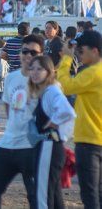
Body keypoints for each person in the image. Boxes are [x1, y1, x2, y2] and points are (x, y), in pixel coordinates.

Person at [0, 34, 44, 208]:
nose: (28, 55)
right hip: (7, 144)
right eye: (25, 51)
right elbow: (10, 112)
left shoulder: (47, 81)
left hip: (31, 147)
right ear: (19, 53)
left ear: (41, 55)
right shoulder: (11, 78)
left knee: (35, 197)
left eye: (34, 52)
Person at [56, 30, 102, 209]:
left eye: (81, 51)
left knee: (90, 194)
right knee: (98, 192)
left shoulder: (93, 73)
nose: (78, 55)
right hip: (96, 139)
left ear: (95, 51)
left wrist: (66, 59)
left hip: (89, 141)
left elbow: (65, 86)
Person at [27, 55, 75, 209]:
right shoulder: (46, 91)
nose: (34, 72)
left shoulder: (51, 91)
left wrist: (52, 124)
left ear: (48, 72)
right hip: (50, 147)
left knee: (43, 196)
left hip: (48, 147)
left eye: (39, 69)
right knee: (53, 195)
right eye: (32, 68)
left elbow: (67, 111)